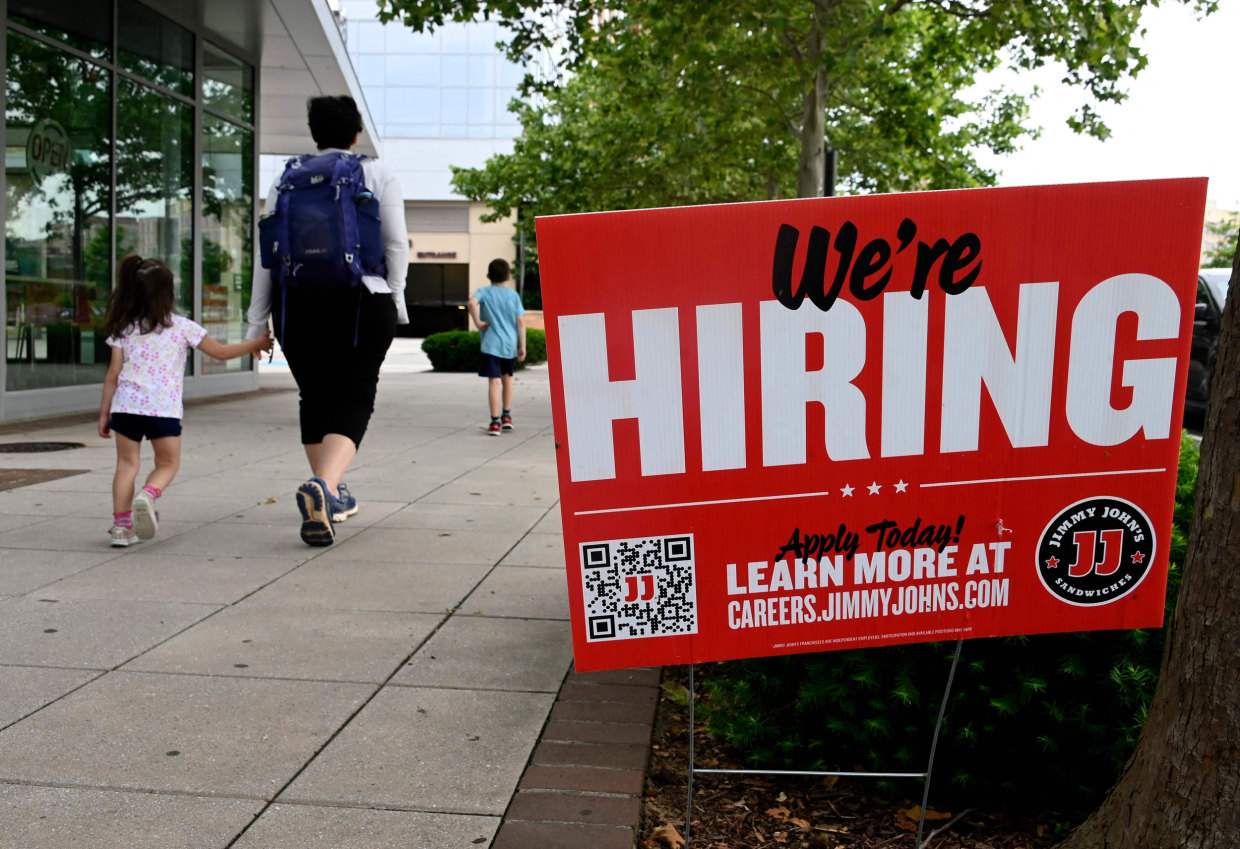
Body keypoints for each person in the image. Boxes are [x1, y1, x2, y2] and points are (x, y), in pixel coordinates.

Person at [245, 95, 409, 546]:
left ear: (315, 134)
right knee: (356, 397)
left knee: (314, 397)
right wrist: (394, 301)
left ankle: (329, 495)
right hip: (362, 300)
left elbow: (267, 256)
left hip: (297, 305)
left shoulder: (287, 179)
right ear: (356, 134)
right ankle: (327, 487)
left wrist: (256, 321)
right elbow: (396, 245)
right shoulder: (376, 172)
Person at [98, 255, 272, 547]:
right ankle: (149, 494)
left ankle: (121, 527)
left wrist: (105, 413)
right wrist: (257, 343)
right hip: (162, 409)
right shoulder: (181, 327)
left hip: (126, 407)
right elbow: (220, 353)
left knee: (126, 465)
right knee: (167, 464)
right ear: (168, 294)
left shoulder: (125, 329)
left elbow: (113, 374)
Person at [468, 258, 527, 436]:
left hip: (491, 345)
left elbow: (471, 303)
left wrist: (477, 322)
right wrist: (522, 345)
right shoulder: (513, 296)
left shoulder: (484, 292)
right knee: (507, 378)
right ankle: (507, 416)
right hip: (509, 345)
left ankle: (495, 423)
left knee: (494, 382)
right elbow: (521, 322)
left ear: (488, 276)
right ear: (508, 276)